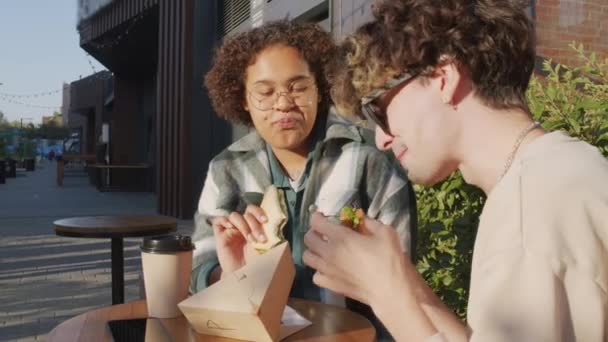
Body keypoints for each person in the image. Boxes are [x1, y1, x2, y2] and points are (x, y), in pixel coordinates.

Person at [302, 0, 608, 341]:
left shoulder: (529, 209)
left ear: (443, 78)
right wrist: (402, 282)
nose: (382, 139)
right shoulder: (553, 172)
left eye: (378, 109)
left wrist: (384, 294)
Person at [190, 21, 415, 338]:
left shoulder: (368, 161)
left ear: (319, 88)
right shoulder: (226, 169)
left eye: (297, 87)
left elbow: (401, 276)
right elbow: (198, 267)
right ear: (242, 98)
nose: (283, 103)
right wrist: (231, 272)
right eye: (265, 92)